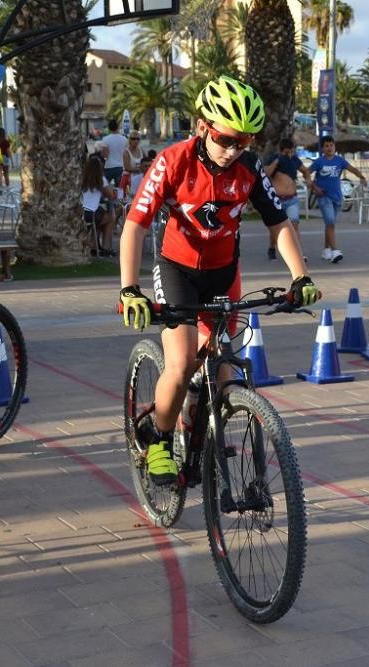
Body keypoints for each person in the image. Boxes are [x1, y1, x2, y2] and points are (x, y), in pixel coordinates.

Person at [118, 75, 318, 486]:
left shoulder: (248, 168)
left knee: (221, 366)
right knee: (180, 362)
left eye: (243, 142)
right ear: (203, 127)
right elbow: (135, 225)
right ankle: (159, 436)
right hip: (178, 271)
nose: (232, 151)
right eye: (226, 139)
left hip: (223, 273)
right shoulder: (174, 161)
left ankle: (200, 429)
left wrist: (300, 276)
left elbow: (278, 222)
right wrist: (128, 289)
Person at [309, 135, 367, 263]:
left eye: (331, 145)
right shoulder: (319, 162)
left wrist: (362, 177)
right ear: (322, 149)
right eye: (326, 146)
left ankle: (326, 250)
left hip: (337, 198)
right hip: (324, 197)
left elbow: (352, 169)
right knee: (330, 222)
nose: (329, 148)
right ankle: (335, 250)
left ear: (335, 147)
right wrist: (314, 187)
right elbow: (306, 174)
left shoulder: (340, 161)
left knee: (330, 224)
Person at [264, 138, 314, 261]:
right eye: (287, 152)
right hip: (277, 200)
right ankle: (272, 248)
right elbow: (266, 173)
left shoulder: (295, 160)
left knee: (294, 225)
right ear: (281, 151)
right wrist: (277, 161)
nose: (290, 155)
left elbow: (306, 170)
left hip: (292, 199)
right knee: (276, 228)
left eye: (292, 152)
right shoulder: (273, 159)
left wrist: (308, 179)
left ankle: (298, 253)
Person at [81, 153, 117, 256]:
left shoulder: (81, 178)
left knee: (101, 218)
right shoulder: (101, 179)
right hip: (92, 213)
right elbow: (111, 195)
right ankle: (105, 247)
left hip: (81, 212)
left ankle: (94, 245)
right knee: (110, 218)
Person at [102, 118, 127, 189]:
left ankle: (108, 198)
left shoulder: (105, 139)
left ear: (109, 128)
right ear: (118, 127)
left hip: (109, 167)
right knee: (119, 188)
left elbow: (105, 155)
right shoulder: (124, 139)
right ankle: (119, 199)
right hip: (120, 167)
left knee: (105, 186)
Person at [122, 130, 144, 202]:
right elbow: (127, 168)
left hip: (140, 177)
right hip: (129, 177)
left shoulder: (141, 150)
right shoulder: (126, 152)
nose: (136, 141)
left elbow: (147, 161)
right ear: (129, 140)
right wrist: (140, 169)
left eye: (138, 139)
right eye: (133, 139)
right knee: (128, 199)